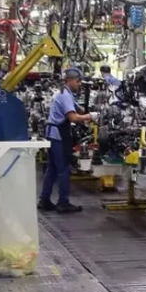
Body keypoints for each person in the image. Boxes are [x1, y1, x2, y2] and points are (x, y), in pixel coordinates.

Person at [39, 67, 93, 213]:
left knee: (52, 169)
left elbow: (77, 110)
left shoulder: (63, 93)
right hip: (59, 136)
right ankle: (63, 202)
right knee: (64, 169)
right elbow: (73, 118)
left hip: (52, 134)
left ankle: (44, 200)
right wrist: (90, 116)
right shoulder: (65, 96)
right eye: (78, 81)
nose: (79, 84)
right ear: (69, 80)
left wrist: (83, 108)